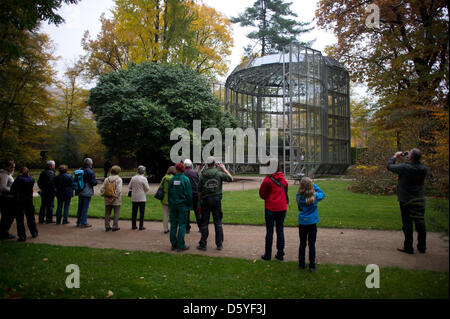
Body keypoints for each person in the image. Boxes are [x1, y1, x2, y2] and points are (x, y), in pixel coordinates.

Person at [387, 148, 428, 254]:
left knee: (407, 224)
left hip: (406, 199)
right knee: (420, 223)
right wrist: (409, 157)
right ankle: (422, 247)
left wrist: (395, 156)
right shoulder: (424, 168)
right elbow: (415, 164)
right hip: (419, 198)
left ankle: (408, 247)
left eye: (409, 154)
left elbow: (389, 166)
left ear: (410, 157)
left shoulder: (405, 168)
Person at [196, 156, 233, 251]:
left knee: (204, 223)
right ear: (214, 163)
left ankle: (203, 244)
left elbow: (199, 191)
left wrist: (199, 202)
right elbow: (230, 178)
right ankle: (219, 244)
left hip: (205, 200)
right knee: (218, 223)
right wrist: (224, 169)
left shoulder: (202, 175)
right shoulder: (219, 174)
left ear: (207, 164)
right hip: (216, 200)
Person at [259, 160, 288, 261]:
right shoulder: (283, 179)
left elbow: (262, 194)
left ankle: (268, 255)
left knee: (270, 231)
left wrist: (269, 197)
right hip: (282, 207)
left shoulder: (267, 180)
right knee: (280, 230)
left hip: (270, 208)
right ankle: (280, 253)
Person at [296, 177, 325, 272]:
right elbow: (322, 194)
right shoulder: (314, 197)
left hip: (302, 223)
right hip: (312, 223)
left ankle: (301, 264)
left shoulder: (299, 196)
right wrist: (314, 185)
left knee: (302, 244)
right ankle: (312, 265)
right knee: (311, 244)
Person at [168, 162, 192, 252]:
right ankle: (181, 245)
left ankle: (174, 244)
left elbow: (169, 193)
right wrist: (190, 204)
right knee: (182, 225)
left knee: (173, 225)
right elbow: (189, 194)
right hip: (183, 205)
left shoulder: (172, 179)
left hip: (173, 205)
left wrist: (171, 202)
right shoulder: (185, 179)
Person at [10, 167, 38, 241]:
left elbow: (12, 189)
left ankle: (22, 235)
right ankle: (34, 232)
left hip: (19, 200)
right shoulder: (31, 179)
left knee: (20, 219)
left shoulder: (19, 180)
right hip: (29, 200)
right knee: (30, 217)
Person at [76, 158, 98, 228]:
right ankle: (83, 222)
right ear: (90, 164)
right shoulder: (90, 171)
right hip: (87, 190)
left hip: (80, 190)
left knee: (80, 207)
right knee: (85, 207)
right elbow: (93, 182)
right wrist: (96, 181)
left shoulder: (80, 169)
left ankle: (78, 221)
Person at [100, 165, 123, 232]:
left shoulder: (107, 179)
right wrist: (114, 197)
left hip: (107, 198)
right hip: (116, 199)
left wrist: (104, 196)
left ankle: (107, 226)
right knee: (116, 213)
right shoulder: (119, 179)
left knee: (107, 213)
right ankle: (115, 226)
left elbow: (102, 189)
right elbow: (119, 190)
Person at [129, 165, 150, 230]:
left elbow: (129, 186)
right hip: (142, 197)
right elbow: (147, 188)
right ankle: (141, 226)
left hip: (134, 196)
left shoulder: (133, 178)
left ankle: (133, 225)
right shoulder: (144, 179)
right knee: (141, 212)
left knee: (134, 212)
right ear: (143, 171)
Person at [0, 160, 16, 239]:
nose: (13, 168)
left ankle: (4, 232)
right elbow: (3, 187)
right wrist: (13, 190)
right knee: (7, 216)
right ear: (6, 167)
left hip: (8, 198)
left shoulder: (8, 174)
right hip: (6, 198)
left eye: (14, 167)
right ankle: (3, 232)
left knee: (8, 216)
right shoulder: (4, 175)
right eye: (11, 167)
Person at [183, 159, 200, 233]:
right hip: (195, 193)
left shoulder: (183, 173)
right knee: (197, 212)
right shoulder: (195, 172)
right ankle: (201, 227)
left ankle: (187, 228)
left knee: (187, 211)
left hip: (187, 194)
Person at [159, 166, 176, 234]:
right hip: (173, 198)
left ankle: (165, 229)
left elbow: (160, 186)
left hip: (165, 198)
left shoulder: (164, 178)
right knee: (173, 215)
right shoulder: (175, 178)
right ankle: (173, 228)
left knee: (165, 215)